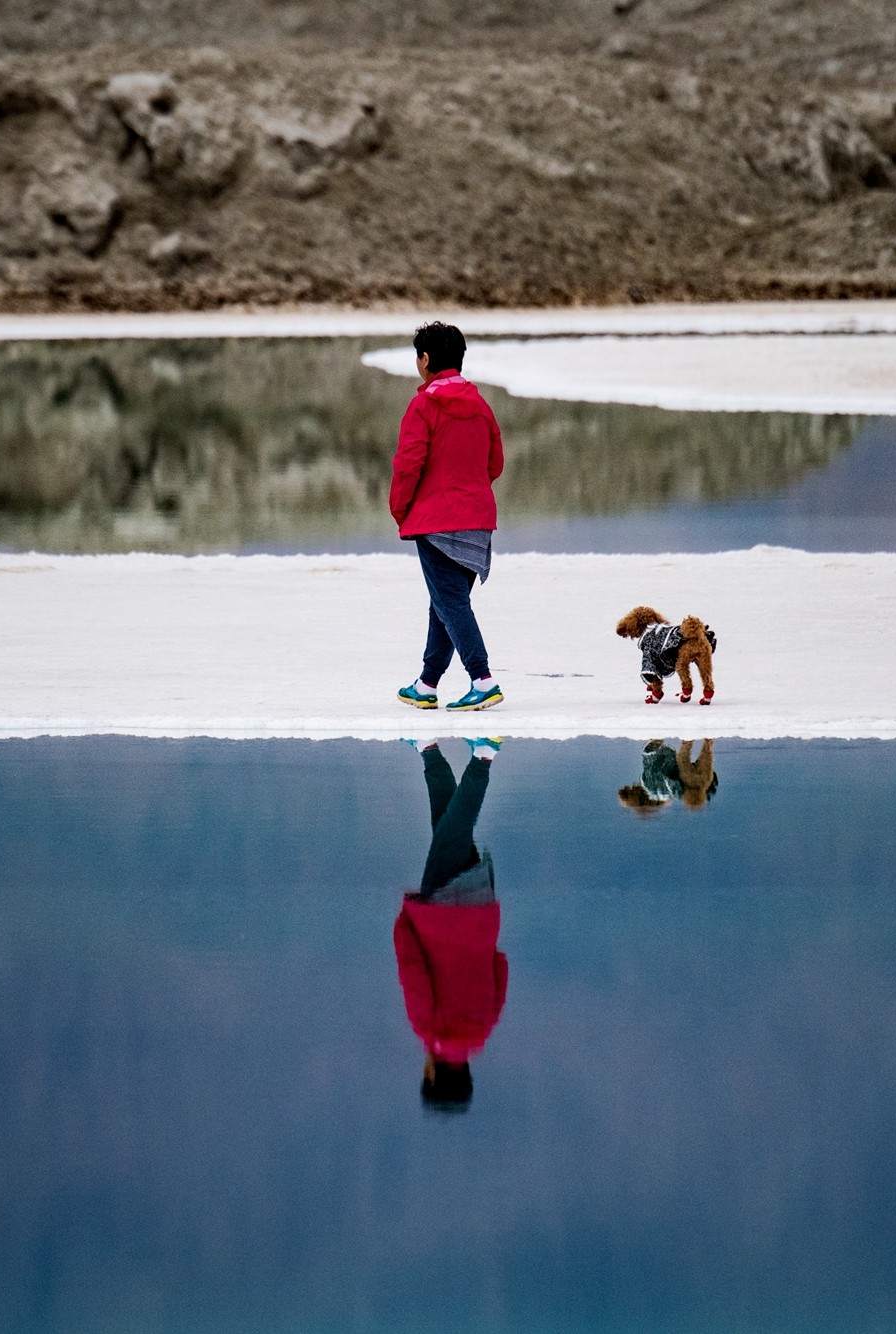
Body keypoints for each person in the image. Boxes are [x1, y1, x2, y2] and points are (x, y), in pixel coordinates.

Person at [391, 322, 506, 714]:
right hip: (477, 520)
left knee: (451, 602)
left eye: (418, 357)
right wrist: (469, 492)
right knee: (444, 602)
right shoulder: (481, 405)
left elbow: (408, 465)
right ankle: (426, 683)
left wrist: (401, 509)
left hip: (436, 522)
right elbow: (495, 463)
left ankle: (483, 679)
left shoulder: (423, 405)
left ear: (425, 360)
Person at [395, 737, 508, 1111]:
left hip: (479, 911)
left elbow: (501, 967)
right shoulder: (430, 1029)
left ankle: (429, 751)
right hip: (439, 913)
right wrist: (404, 926)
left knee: (447, 831)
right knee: (453, 830)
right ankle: (484, 757)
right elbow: (412, 971)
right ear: (432, 1075)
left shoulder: (485, 1028)